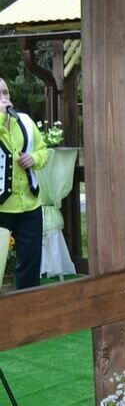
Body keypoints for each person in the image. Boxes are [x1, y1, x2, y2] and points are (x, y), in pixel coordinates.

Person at [0, 78, 49, 289]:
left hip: (30, 206)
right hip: (2, 208)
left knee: (30, 264)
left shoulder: (26, 121)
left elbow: (43, 150)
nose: (4, 98)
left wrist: (34, 158)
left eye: (5, 92)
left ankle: (28, 307)